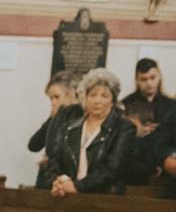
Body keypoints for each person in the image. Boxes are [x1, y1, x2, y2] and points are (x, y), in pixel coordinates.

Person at [41, 67, 135, 196]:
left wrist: (77, 186)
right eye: (93, 95)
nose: (97, 100)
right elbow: (54, 161)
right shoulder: (69, 127)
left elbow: (112, 168)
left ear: (112, 101)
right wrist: (57, 183)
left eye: (104, 96)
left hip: (105, 199)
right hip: (66, 196)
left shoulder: (124, 128)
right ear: (84, 98)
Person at [121, 58, 176, 184]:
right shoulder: (126, 104)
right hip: (136, 166)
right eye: (144, 79)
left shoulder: (172, 105)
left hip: (166, 167)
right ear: (137, 80)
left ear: (159, 76)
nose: (149, 83)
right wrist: (135, 131)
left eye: (152, 77)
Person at [29, 71, 78, 189]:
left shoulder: (81, 116)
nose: (53, 102)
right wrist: (51, 119)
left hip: (68, 178)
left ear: (71, 93)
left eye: (56, 97)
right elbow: (33, 145)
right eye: (51, 98)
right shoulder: (56, 117)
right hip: (49, 175)